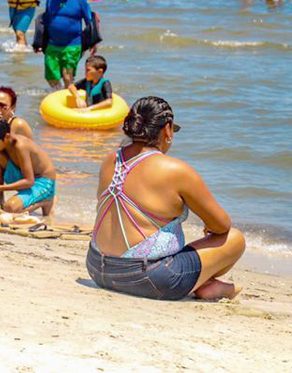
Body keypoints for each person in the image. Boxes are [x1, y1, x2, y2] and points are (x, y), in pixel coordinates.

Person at [88, 96, 245, 301]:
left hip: (98, 269)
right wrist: (211, 228)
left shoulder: (111, 159)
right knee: (234, 239)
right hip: (148, 279)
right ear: (167, 129)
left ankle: (207, 284)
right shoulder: (175, 170)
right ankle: (207, 284)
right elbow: (222, 225)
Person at [0, 116, 57, 215]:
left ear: (7, 137)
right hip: (25, 178)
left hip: (43, 182)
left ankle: (45, 201)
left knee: (10, 208)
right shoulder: (4, 145)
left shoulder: (20, 146)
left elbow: (29, 181)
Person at [38, 0, 92, 88]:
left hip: (72, 45)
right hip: (52, 45)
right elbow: (45, 21)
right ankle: (60, 94)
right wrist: (39, 42)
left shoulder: (80, 0)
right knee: (51, 78)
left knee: (67, 76)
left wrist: (93, 42)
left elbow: (89, 21)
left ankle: (69, 97)